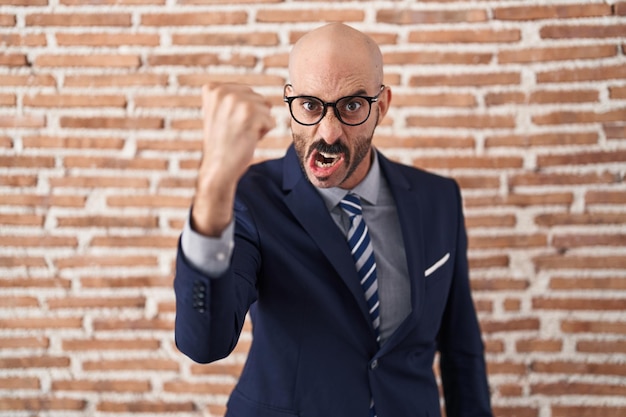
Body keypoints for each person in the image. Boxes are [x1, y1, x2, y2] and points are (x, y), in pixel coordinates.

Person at [174, 22, 493, 417]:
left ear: (382, 106)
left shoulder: (439, 198)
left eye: (352, 106)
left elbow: (461, 350)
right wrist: (214, 185)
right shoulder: (248, 199)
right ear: (289, 102)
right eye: (310, 105)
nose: (328, 131)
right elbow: (204, 344)